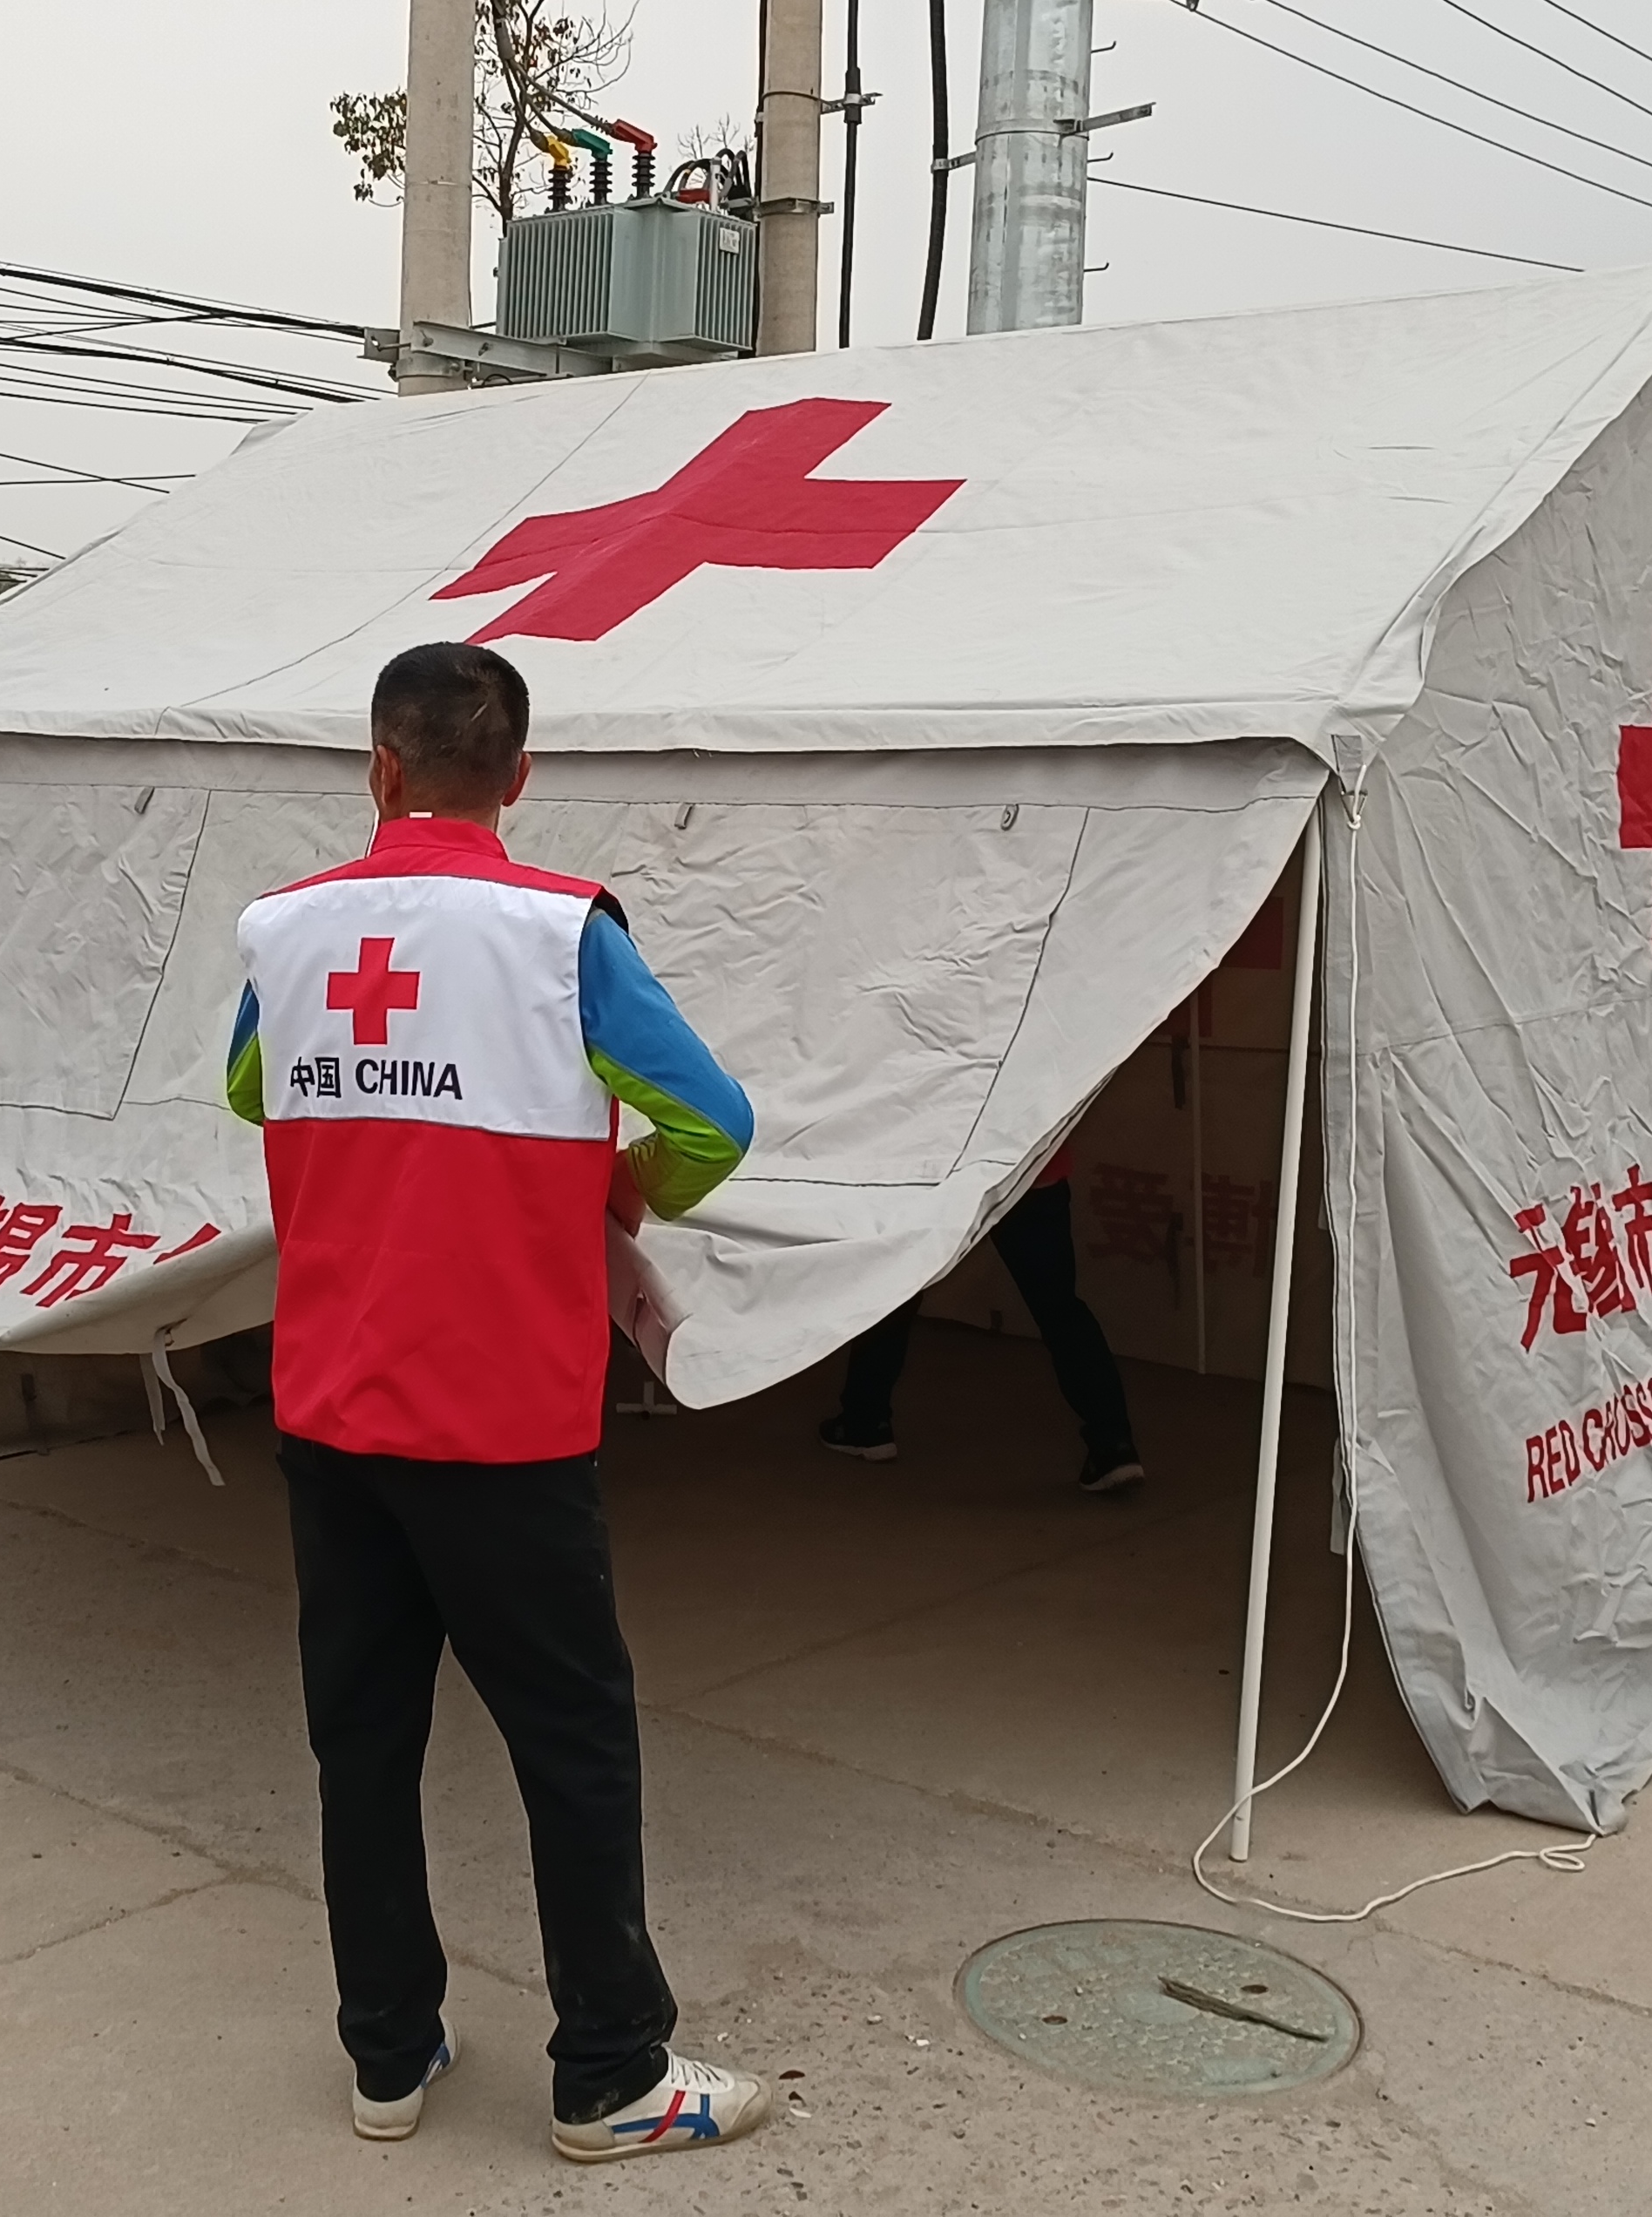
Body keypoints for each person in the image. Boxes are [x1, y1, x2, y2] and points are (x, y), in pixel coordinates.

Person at [226, 641, 770, 2164]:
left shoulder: (286, 928)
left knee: (363, 1739)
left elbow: (252, 1092)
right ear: (517, 778)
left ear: (379, 768)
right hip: (504, 1426)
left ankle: (386, 2055)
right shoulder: (559, 929)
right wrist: (618, 1188)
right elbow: (711, 1119)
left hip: (329, 1407)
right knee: (572, 1741)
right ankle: (607, 2070)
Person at [816, 1142, 1145, 1493]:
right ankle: (1114, 1445)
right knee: (1059, 1308)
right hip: (1030, 1167)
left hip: (942, 1172)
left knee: (899, 1291)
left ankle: (866, 1423)